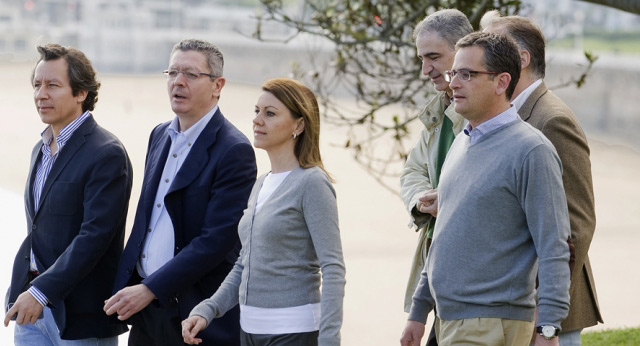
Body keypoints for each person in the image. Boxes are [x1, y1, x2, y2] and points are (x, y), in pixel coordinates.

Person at [400, 32, 571, 346]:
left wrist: (548, 328)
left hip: (492, 324)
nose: (453, 83)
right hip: (450, 320)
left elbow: (553, 247)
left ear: (501, 82)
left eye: (467, 74)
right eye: (454, 73)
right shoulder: (463, 140)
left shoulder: (532, 151)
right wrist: (418, 311)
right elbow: (442, 237)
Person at [103, 39, 257, 345]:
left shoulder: (234, 150)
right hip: (147, 311)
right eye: (172, 73)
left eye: (190, 74)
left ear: (218, 85)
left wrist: (150, 288)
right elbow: (146, 218)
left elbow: (216, 240)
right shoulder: (160, 134)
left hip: (194, 315)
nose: (178, 82)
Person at [181, 78, 346, 346]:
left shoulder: (312, 183)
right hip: (249, 332)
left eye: (270, 114)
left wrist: (329, 340)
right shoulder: (262, 183)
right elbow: (245, 263)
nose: (258, 120)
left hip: (293, 332)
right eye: (256, 111)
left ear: (299, 125)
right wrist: (208, 309)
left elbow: (333, 268)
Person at [481, 13, 603, 345]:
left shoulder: (553, 120)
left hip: (544, 314)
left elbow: (577, 225)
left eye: (492, 46)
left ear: (521, 59)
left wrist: (543, 314)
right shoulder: (511, 114)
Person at [4, 43, 132, 345]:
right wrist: (23, 289)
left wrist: (40, 291)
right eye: (37, 84)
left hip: (78, 318)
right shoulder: (41, 148)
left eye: (52, 85)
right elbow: (37, 228)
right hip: (31, 311)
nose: (40, 94)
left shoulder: (106, 153)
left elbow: (94, 236)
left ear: (81, 93)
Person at [399, 9, 472, 346]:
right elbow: (412, 170)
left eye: (433, 57)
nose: (425, 69)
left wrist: (449, 197)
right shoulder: (439, 110)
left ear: (464, 51)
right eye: (421, 58)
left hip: (472, 283)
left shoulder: (481, 116)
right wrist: (421, 198)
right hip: (440, 275)